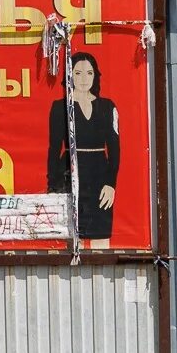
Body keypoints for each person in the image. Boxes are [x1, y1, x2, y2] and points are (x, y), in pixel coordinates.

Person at [47, 52, 122, 245]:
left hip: (99, 175)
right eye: (77, 73)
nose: (83, 79)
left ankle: (101, 276)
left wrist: (111, 183)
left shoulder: (107, 106)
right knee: (72, 238)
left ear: (95, 75)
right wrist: (53, 186)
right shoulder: (60, 107)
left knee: (101, 238)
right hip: (69, 174)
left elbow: (114, 148)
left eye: (89, 73)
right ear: (70, 76)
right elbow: (54, 149)